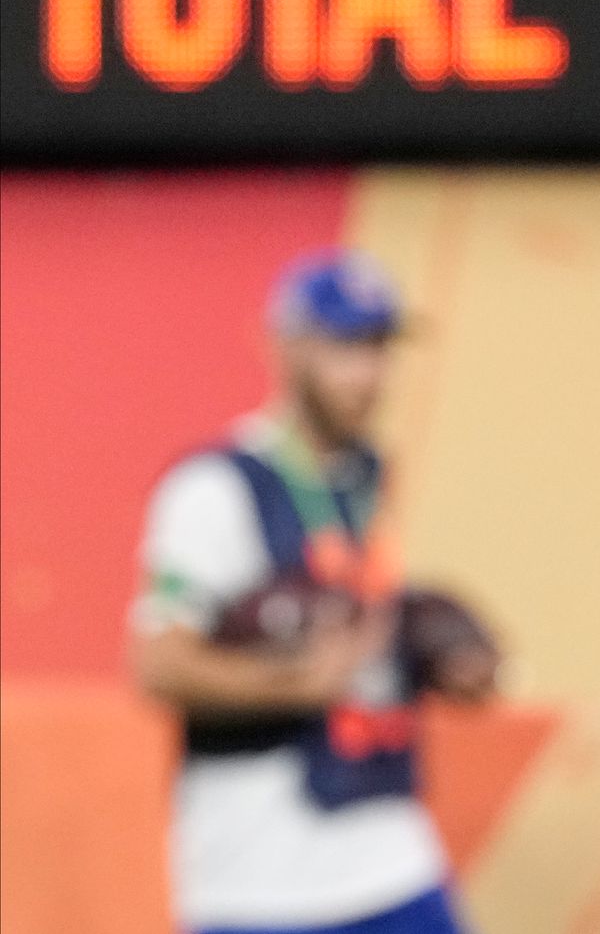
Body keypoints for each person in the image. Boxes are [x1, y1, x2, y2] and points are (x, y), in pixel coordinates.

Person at [130, 250, 495, 934]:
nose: (371, 374)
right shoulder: (214, 488)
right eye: (348, 347)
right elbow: (157, 664)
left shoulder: (364, 479)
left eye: (382, 348)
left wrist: (434, 658)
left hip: (386, 846)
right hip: (258, 875)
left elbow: (364, 622)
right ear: (287, 347)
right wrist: (299, 683)